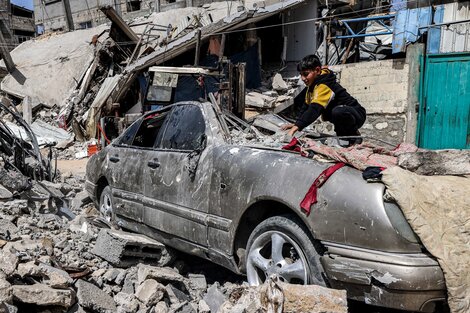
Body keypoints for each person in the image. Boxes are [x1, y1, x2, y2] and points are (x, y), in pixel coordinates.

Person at [282, 55, 366, 144]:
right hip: (342, 114)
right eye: (301, 75)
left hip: (356, 114)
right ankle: (344, 138)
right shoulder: (312, 86)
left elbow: (314, 109)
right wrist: (296, 124)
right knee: (334, 114)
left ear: (317, 70)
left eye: (306, 74)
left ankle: (354, 136)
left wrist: (294, 129)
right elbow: (306, 107)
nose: (303, 78)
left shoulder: (324, 85)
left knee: (337, 112)